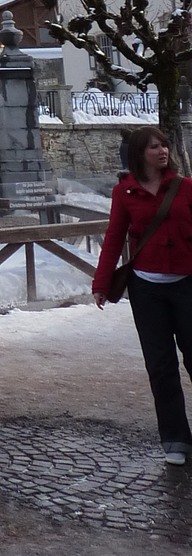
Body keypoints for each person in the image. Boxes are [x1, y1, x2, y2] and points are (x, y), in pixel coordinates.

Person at [93, 127, 192, 464]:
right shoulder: (125, 192)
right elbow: (114, 237)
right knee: (161, 365)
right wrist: (101, 283)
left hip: (187, 283)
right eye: (154, 147)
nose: (162, 150)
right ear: (139, 153)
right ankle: (176, 440)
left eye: (164, 145)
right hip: (146, 289)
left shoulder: (186, 188)